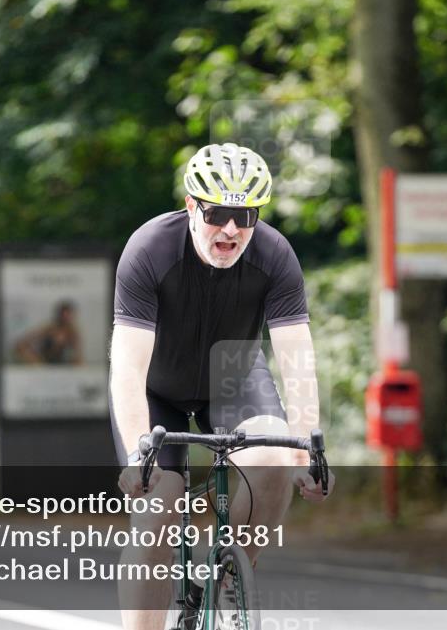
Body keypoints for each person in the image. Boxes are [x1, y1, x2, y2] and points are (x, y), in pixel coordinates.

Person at [109, 142, 336, 630]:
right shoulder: (148, 249)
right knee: (157, 509)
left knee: (274, 457)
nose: (231, 229)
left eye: (246, 215)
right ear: (192, 205)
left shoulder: (275, 255)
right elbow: (127, 367)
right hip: (157, 389)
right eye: (217, 212)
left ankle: (232, 573)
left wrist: (306, 455)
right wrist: (137, 456)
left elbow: (296, 356)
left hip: (233, 377)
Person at [14, 300, 83, 364]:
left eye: (68, 315)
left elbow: (77, 354)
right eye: (63, 315)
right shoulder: (49, 329)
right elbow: (21, 344)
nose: (65, 318)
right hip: (44, 363)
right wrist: (35, 360)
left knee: (77, 361)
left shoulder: (73, 333)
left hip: (62, 365)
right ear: (59, 315)